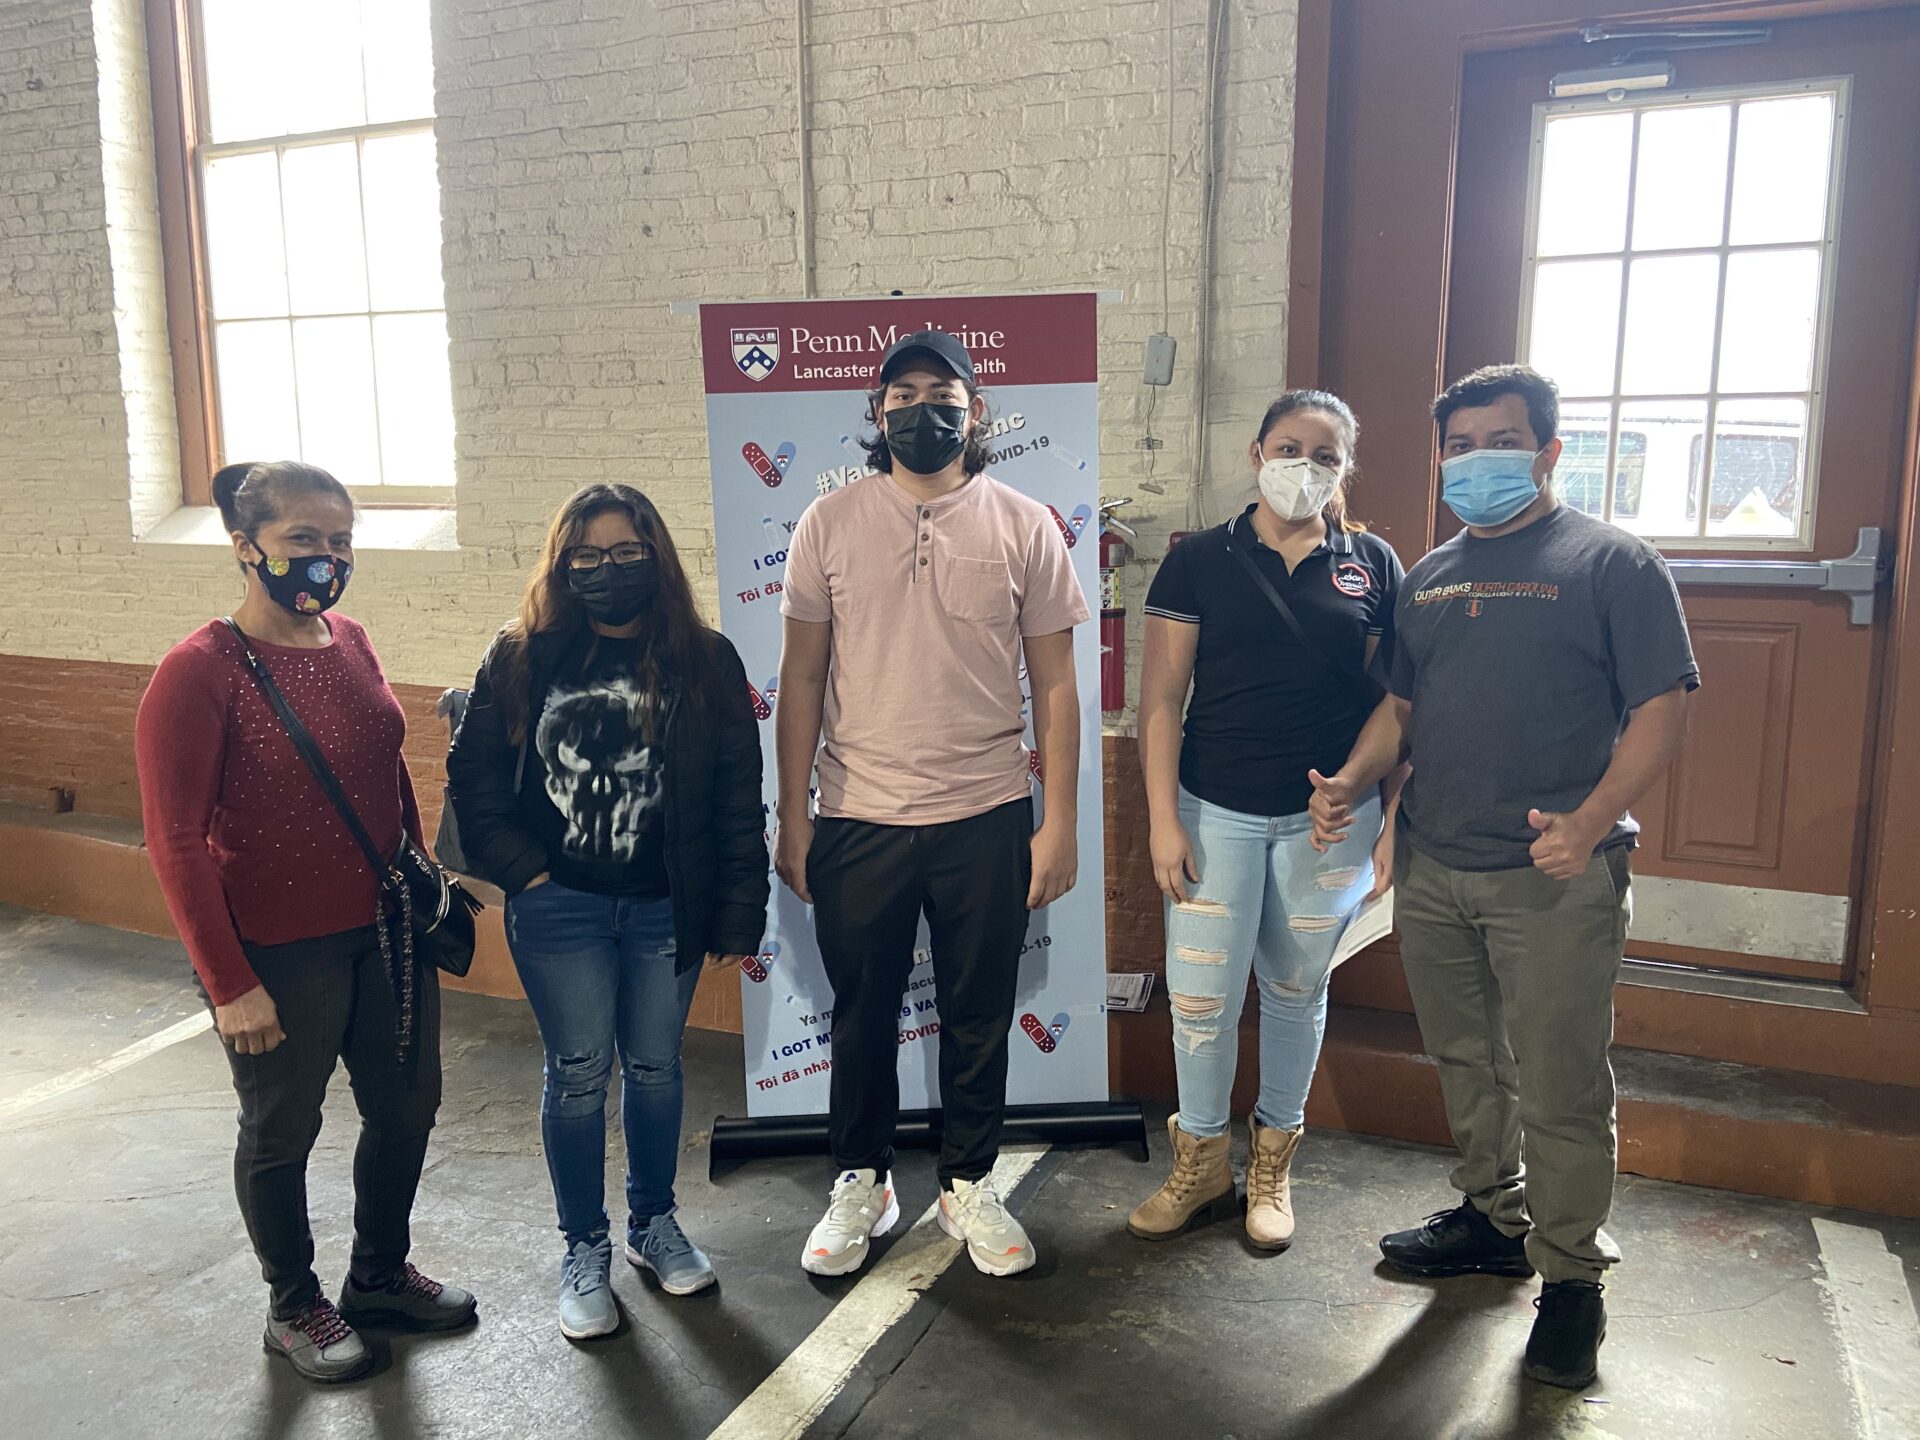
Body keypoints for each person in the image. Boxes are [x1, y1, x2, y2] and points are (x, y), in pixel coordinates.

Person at [1308, 365, 1697, 1390]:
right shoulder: (1431, 576)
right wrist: (1355, 784)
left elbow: (1663, 707)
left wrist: (1591, 819)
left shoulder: (1613, 564)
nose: (1478, 459)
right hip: (1437, 864)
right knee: (1469, 1060)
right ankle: (1492, 1215)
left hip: (1555, 875)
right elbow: (1403, 709)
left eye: (1500, 439)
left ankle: (1571, 1279)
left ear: (1550, 451)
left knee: (1563, 1084)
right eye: (1461, 444)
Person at [135, 462, 475, 1386]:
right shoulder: (197, 672)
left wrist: (420, 871)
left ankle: (376, 1277)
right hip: (279, 952)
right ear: (246, 547)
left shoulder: (353, 640)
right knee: (282, 1131)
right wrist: (228, 983)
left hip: (386, 935)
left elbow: (385, 771)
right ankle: (294, 1306)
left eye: (339, 543)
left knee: (406, 1108)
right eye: (303, 542)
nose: (326, 561)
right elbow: (173, 841)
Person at [775, 330, 1090, 1279]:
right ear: (877, 414)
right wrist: (794, 814)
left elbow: (1060, 686)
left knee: (978, 1009)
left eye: (942, 391)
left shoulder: (1027, 522)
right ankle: (862, 1181)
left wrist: (1060, 820)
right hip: (858, 812)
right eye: (902, 393)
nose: (923, 408)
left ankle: (967, 1182)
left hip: (986, 810)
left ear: (976, 410)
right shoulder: (826, 523)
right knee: (862, 1011)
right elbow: (799, 677)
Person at [444, 484, 768, 1340]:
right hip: (563, 910)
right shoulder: (520, 657)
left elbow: (739, 791)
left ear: (657, 557)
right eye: (585, 556)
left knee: (658, 1068)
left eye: (627, 553)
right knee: (581, 1072)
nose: (607, 571)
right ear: (562, 565)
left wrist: (740, 908)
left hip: (667, 906)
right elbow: (473, 781)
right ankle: (582, 1246)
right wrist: (527, 874)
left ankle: (652, 1225)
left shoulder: (708, 660)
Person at [1128, 390, 1404, 1250]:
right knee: (1202, 1000)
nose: (1306, 468)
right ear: (1255, 454)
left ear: (1345, 469)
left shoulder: (1373, 564)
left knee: (1295, 991)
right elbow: (1163, 700)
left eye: (1326, 456)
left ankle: (1273, 1163)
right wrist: (1162, 819)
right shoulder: (1198, 561)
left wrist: (1371, 800)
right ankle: (1201, 1163)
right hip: (1214, 813)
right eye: (1291, 448)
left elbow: (1399, 701)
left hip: (1328, 826)